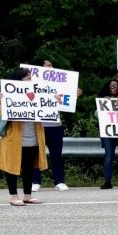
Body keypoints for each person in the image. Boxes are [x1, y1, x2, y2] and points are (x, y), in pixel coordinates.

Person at [0, 67, 49, 205]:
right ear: (19, 81)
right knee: (11, 168)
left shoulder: (37, 94)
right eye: (28, 78)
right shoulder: (9, 94)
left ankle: (27, 195)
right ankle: (14, 196)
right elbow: (0, 114)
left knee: (29, 168)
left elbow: (50, 108)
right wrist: (2, 101)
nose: (31, 81)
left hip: (33, 139)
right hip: (14, 140)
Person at [32, 59, 75, 192]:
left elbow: (66, 101)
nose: (52, 67)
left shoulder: (60, 84)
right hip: (39, 125)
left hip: (55, 125)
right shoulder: (31, 84)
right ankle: (35, 181)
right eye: (48, 65)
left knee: (56, 154)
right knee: (36, 155)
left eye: (52, 65)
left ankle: (59, 181)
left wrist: (74, 95)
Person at [97, 78, 118, 189]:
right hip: (108, 134)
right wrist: (104, 103)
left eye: (115, 86)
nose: (113, 87)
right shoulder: (103, 100)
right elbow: (96, 115)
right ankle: (108, 181)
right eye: (111, 86)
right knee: (108, 157)